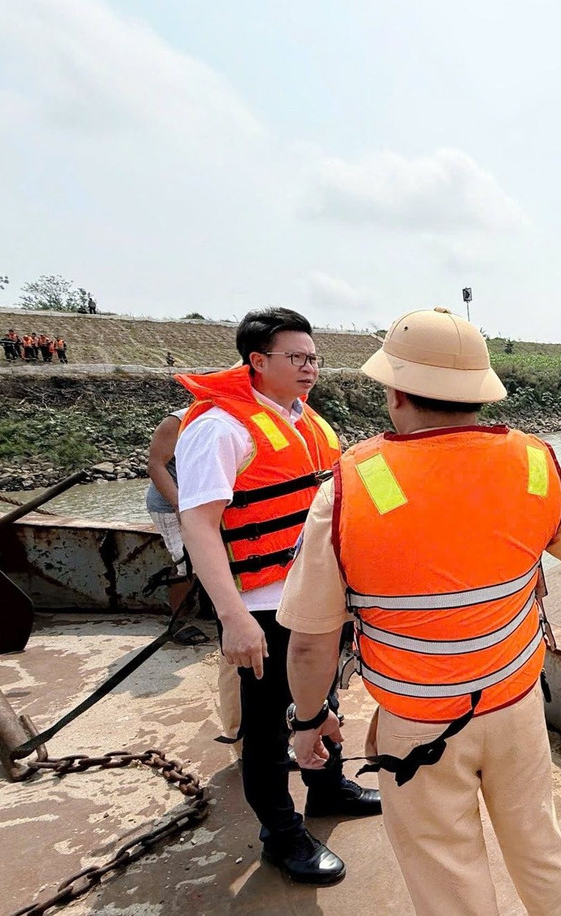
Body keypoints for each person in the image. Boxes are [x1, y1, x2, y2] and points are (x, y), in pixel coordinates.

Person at [283, 307, 561, 915]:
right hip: (515, 702)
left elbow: (311, 640)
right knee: (539, 845)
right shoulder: (534, 463)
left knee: (447, 877)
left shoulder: (353, 486)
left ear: (395, 392)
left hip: (418, 721)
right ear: (480, 393)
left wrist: (308, 721)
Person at [176, 307, 379, 885]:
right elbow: (199, 525)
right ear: (257, 361)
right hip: (262, 606)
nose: (310, 367)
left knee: (320, 699)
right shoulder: (221, 428)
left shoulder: (306, 420)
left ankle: (328, 787)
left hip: (320, 596)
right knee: (267, 728)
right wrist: (233, 618)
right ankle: (281, 834)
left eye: (314, 357)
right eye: (297, 357)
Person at [147, 409, 241, 732]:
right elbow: (155, 465)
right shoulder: (177, 420)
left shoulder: (230, 419)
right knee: (185, 564)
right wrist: (180, 505)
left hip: (203, 501)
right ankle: (178, 621)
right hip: (172, 503)